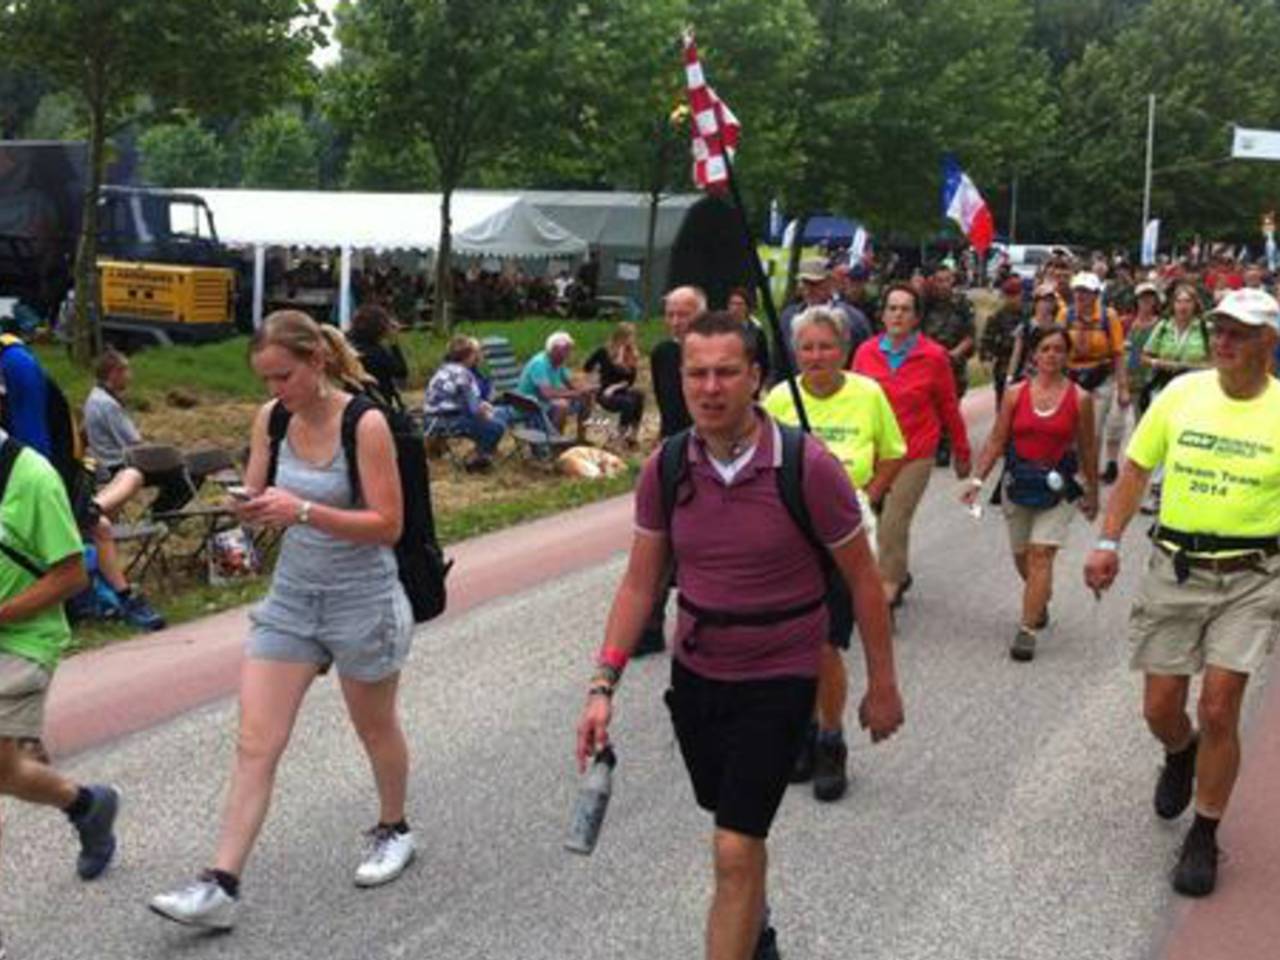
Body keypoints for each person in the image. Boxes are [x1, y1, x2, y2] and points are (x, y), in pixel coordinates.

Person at [575, 310, 903, 960]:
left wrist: (883, 686)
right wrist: (602, 683)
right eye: (697, 372)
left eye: (727, 371)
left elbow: (864, 581)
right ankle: (757, 925)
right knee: (732, 830)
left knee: (731, 845)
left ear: (756, 378)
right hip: (698, 676)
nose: (710, 386)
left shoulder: (806, 467)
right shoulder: (667, 468)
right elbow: (641, 584)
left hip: (780, 676)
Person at [150, 311, 417, 931]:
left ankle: (393, 828)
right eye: (266, 379)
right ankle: (220, 884)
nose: (276, 390)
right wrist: (245, 512)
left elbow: (388, 526)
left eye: (284, 376)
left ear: (317, 362)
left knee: (375, 729)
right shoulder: (271, 418)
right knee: (254, 742)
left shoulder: (365, 422)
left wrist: (300, 510)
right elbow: (255, 501)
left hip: (361, 598)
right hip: (293, 599)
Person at [1084, 289, 1280, 899]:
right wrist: (1107, 543)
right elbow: (1138, 467)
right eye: (1218, 330)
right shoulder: (1180, 395)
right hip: (1176, 566)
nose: (1222, 341)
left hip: (1252, 574)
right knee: (1160, 708)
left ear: (1268, 343)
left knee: (1221, 704)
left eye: (1239, 333)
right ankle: (1179, 750)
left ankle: (1204, 832)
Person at [762, 306, 904, 801]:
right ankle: (797, 731)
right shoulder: (780, 399)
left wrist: (868, 495)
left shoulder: (868, 395)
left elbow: (893, 452)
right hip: (787, 539)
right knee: (785, 644)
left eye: (825, 346)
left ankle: (830, 739)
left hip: (844, 541)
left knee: (824, 645)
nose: (816, 356)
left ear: (843, 350)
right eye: (807, 348)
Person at [0, 428, 122, 900]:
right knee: (7, 773)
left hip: (24, 640)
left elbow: (71, 575)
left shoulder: (32, 478)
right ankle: (87, 805)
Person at [961, 326, 1098, 660]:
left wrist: (1091, 492)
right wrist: (977, 480)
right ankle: (1040, 598)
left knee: (1040, 555)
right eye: (1045, 349)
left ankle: (1027, 630)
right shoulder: (1015, 394)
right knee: (1022, 557)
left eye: (1058, 349)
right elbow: (996, 439)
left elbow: (1087, 448)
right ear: (1034, 355)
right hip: (1018, 484)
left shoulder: (1079, 399)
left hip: (1057, 489)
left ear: (1067, 356)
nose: (1051, 355)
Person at [852, 283, 972, 608]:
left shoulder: (933, 356)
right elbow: (851, 401)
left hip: (913, 452)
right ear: (883, 314)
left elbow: (948, 407)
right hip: (873, 452)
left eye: (905, 309)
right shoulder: (865, 352)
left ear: (917, 317)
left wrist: (962, 452)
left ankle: (887, 591)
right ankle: (895, 571)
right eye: (892, 308)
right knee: (868, 517)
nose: (898, 315)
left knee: (894, 519)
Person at [640, 286, 707, 658]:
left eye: (686, 314)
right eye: (672, 314)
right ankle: (649, 624)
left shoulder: (719, 351)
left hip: (711, 451)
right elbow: (668, 406)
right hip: (673, 451)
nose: (677, 322)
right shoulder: (664, 354)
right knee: (658, 537)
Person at [1058, 271, 1129, 484]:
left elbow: (1118, 353)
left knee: (1094, 428)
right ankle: (1072, 468)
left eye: (1086, 291)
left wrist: (1123, 387)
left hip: (1100, 379)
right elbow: (1056, 346)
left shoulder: (1109, 317)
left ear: (1096, 294)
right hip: (1071, 377)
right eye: (1078, 290)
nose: (1081, 296)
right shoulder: (1065, 316)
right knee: (1068, 427)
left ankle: (1087, 472)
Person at [423, 335, 508, 472]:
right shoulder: (464, 374)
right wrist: (487, 412)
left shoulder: (443, 369)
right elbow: (474, 410)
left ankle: (478, 456)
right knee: (496, 427)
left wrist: (481, 406)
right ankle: (474, 461)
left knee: (490, 421)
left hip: (429, 422)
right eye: (475, 354)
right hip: (448, 422)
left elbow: (458, 400)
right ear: (468, 356)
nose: (476, 357)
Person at [920, 265, 976, 467]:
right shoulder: (926, 304)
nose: (943, 285)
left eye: (947, 280)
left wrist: (956, 353)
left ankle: (944, 446)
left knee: (949, 407)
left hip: (953, 364)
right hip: (928, 364)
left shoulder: (962, 303)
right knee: (929, 406)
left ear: (953, 281)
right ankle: (933, 443)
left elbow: (970, 336)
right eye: (939, 280)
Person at [777, 259, 871, 379]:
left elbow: (864, 360)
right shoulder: (788, 318)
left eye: (815, 283)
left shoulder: (853, 320)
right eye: (805, 283)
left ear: (830, 282)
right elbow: (779, 364)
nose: (809, 289)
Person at [515, 331, 593, 440]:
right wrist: (574, 393)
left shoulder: (558, 363)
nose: (568, 353)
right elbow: (547, 393)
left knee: (586, 397)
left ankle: (581, 439)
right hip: (530, 402)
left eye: (569, 349)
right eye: (566, 350)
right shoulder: (540, 363)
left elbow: (572, 384)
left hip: (544, 400)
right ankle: (555, 443)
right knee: (561, 405)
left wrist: (586, 390)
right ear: (554, 349)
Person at [584, 323, 645, 447]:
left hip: (618, 389)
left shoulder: (631, 355)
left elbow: (630, 381)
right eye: (630, 336)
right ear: (621, 337)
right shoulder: (604, 351)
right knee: (627, 402)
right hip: (603, 391)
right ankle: (619, 437)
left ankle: (632, 434)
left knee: (639, 395)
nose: (632, 340)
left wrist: (614, 387)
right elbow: (587, 367)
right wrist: (594, 382)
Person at [348, 304, 408, 408]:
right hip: (377, 406)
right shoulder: (377, 353)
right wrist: (394, 342)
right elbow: (401, 372)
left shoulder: (348, 347)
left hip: (351, 404)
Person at [979, 276, 1026, 410]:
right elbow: (987, 340)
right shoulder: (997, 317)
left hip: (1025, 367)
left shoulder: (1028, 315)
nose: (1012, 299)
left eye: (1015, 295)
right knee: (1004, 406)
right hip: (1003, 367)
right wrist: (986, 360)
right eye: (1008, 295)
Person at [1005, 281, 1060, 384]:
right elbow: (1016, 354)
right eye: (1044, 300)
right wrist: (1010, 376)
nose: (1047, 304)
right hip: (1028, 377)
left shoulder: (1059, 328)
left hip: (1052, 377)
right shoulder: (1026, 327)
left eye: (1051, 301)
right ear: (1036, 303)